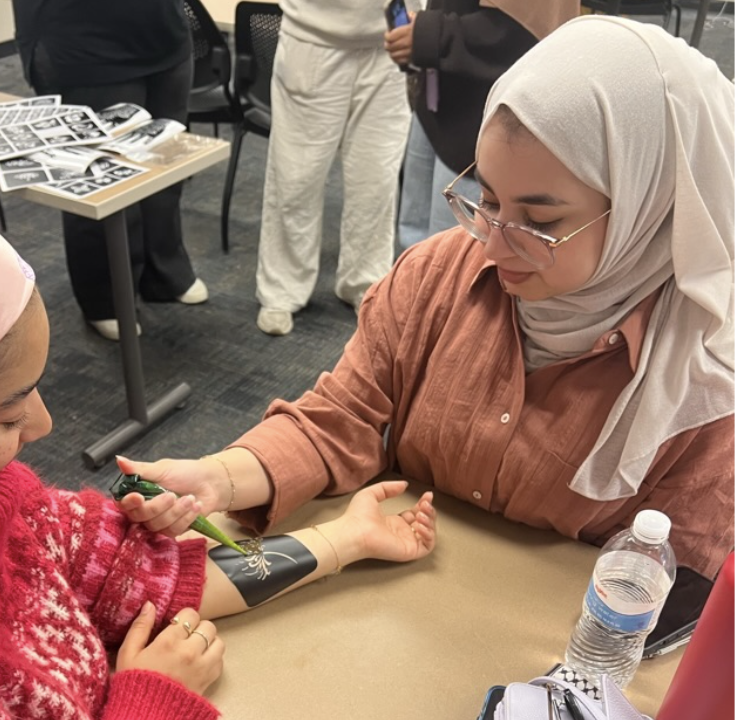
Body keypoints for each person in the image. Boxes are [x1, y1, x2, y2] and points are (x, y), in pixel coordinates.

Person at [120, 17, 735, 632]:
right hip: (387, 606)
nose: (492, 248)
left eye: (539, 224)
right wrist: (219, 479)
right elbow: (343, 419)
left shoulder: (706, 379)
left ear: (649, 209)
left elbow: (667, 595)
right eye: (486, 200)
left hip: (538, 644)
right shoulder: (438, 275)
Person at [0, 164, 436, 718]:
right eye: (7, 414)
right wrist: (150, 701)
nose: (43, 427)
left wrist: (345, 539)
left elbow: (154, 576)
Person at [11, 0, 207, 341]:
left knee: (164, 166)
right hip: (84, 45)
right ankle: (106, 297)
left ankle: (164, 270)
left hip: (164, 34)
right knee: (99, 177)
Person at [254, 0, 411, 336]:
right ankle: (282, 288)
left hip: (391, 43)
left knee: (376, 179)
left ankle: (365, 281)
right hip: (313, 39)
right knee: (296, 177)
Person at [385, 0, 580, 248]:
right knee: (416, 242)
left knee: (454, 256)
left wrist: (430, 35)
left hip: (483, 122)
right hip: (437, 98)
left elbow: (516, 34)